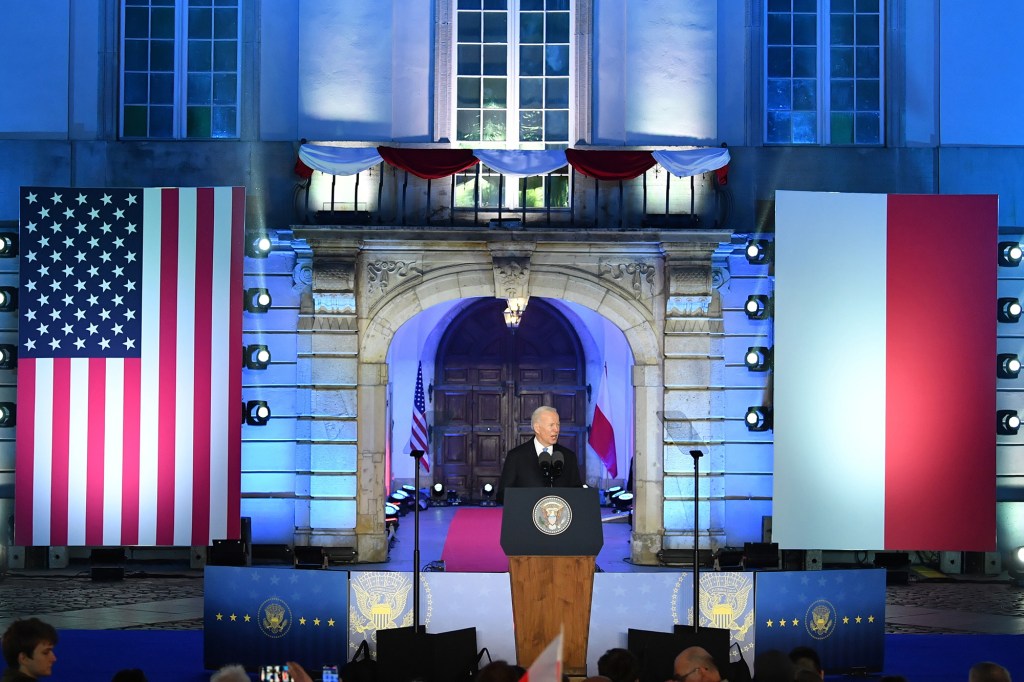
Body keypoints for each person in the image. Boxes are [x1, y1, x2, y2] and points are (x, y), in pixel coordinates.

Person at [498, 405, 583, 502]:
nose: (556, 429)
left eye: (558, 425)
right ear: (537, 428)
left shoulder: (568, 456)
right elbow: (503, 494)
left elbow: (577, 492)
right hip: (526, 514)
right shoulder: (516, 456)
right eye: (551, 425)